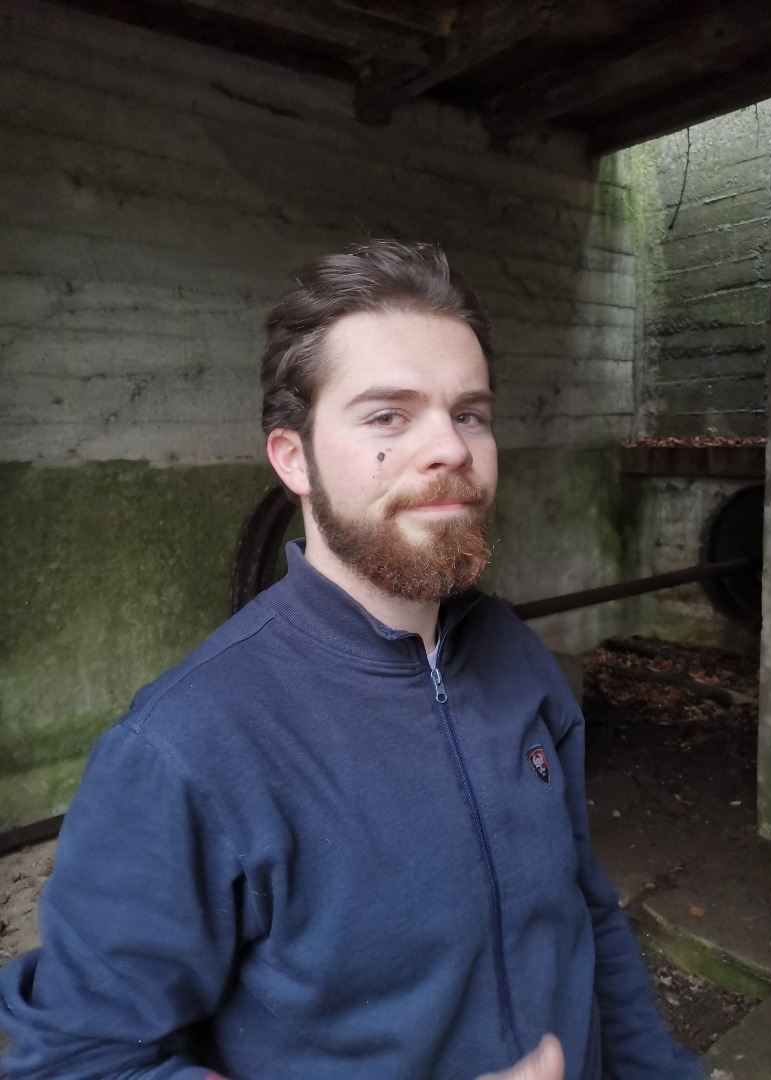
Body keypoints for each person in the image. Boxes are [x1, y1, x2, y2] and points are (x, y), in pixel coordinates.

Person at [0, 241, 702, 1080]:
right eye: (387, 417)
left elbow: (580, 908)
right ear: (292, 458)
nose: (450, 449)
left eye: (469, 413)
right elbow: (78, 1062)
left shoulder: (517, 657)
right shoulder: (182, 750)